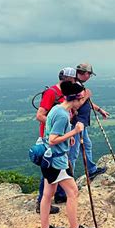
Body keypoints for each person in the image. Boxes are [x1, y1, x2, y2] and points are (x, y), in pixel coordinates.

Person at [40, 80, 95, 228]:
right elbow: (52, 139)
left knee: (47, 194)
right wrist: (74, 132)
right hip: (57, 161)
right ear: (75, 99)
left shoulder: (56, 109)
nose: (82, 102)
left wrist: (66, 135)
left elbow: (51, 133)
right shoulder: (63, 115)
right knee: (73, 193)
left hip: (48, 158)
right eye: (81, 99)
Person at [35, 67, 77, 214]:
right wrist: (58, 128)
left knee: (57, 169)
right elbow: (39, 115)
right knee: (49, 170)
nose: (75, 82)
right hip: (49, 140)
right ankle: (41, 202)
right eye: (73, 80)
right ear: (68, 80)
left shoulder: (62, 94)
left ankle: (59, 195)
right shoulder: (51, 93)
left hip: (58, 139)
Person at [68, 63, 109, 179]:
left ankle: (91, 170)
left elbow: (86, 103)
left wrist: (100, 110)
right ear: (85, 73)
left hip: (81, 123)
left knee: (87, 145)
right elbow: (74, 106)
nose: (89, 77)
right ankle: (68, 180)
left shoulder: (79, 85)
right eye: (89, 74)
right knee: (73, 152)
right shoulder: (75, 86)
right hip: (76, 123)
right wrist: (86, 95)